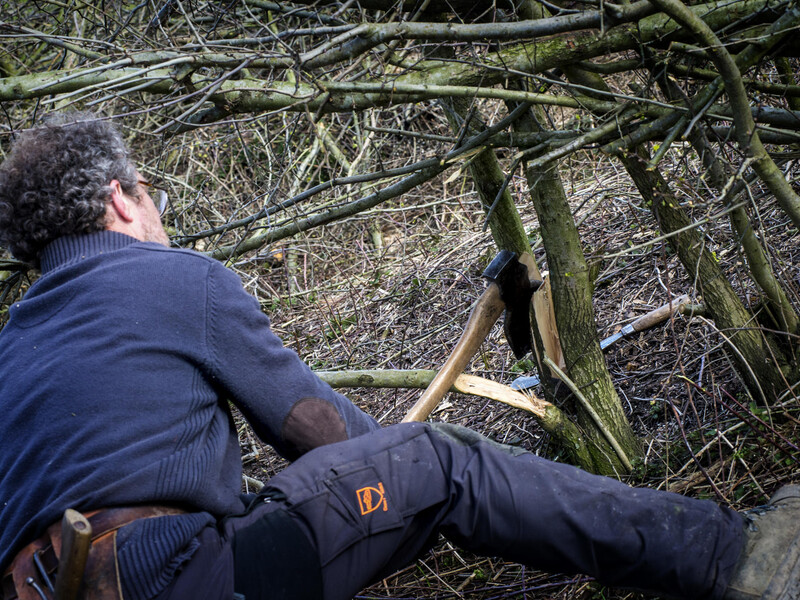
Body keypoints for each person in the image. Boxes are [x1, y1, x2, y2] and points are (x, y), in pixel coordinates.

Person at [0, 112, 796, 600]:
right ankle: (743, 557)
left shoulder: (14, 347)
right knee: (442, 464)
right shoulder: (174, 279)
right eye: (152, 197)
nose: (158, 217)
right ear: (119, 200)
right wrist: (395, 458)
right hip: (173, 580)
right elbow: (322, 434)